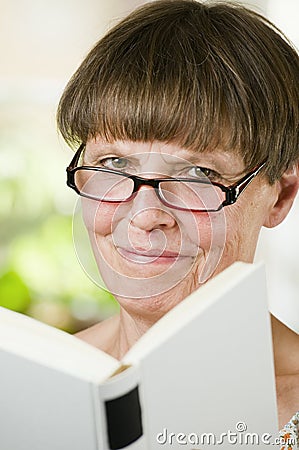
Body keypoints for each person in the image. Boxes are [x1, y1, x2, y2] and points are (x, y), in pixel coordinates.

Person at [57, 0, 299, 444]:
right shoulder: (37, 383)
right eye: (112, 162)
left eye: (199, 174)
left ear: (280, 196)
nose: (147, 214)